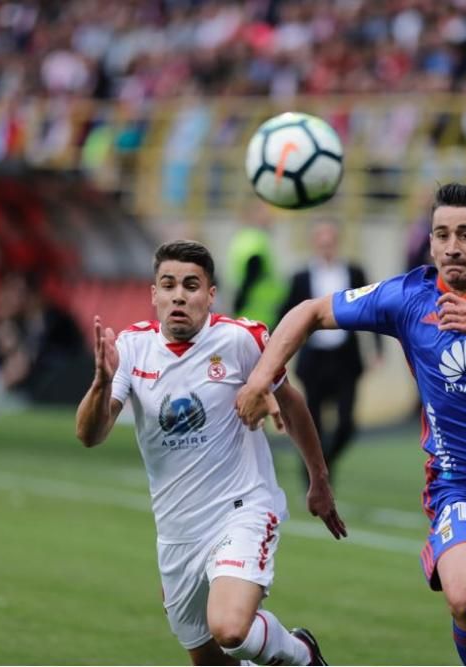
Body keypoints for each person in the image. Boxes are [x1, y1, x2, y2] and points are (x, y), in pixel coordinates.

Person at [237, 184, 466, 666]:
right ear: (430, 243)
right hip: (465, 486)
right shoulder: (407, 296)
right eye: (442, 234)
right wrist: (262, 378)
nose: (453, 246)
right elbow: (309, 312)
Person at [75, 240, 346, 667]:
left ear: (210, 294)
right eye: (168, 285)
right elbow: (91, 434)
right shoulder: (130, 348)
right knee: (212, 660)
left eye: (191, 285)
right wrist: (101, 383)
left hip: (242, 508)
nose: (179, 295)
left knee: (231, 629)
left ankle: (301, 652)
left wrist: (319, 478)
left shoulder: (240, 340)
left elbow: (291, 403)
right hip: (177, 530)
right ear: (154, 295)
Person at [279, 221, 381, 485]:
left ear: (337, 242)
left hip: (345, 358)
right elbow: (286, 316)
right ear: (314, 243)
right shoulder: (301, 277)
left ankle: (325, 463)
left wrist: (377, 349)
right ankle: (312, 477)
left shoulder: (353, 272)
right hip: (315, 360)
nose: (326, 246)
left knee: (346, 424)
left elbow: (374, 311)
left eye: (330, 241)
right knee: (311, 424)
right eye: (321, 241)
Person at [227, 205, 287, 328]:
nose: (270, 220)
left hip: (254, 311)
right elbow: (253, 269)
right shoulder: (255, 239)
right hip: (255, 312)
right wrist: (240, 302)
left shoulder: (245, 238)